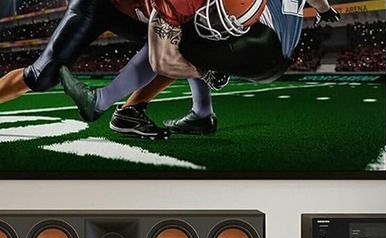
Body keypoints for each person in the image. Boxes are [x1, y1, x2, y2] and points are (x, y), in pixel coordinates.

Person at [60, 0, 340, 138]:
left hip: (260, 45)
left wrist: (203, 72)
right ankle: (202, 115)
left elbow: (161, 61)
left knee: (181, 38)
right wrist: (325, 10)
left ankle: (101, 100)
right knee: (197, 37)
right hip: (284, 51)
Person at [0, 0, 148, 107]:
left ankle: (131, 110)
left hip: (134, 13)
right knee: (42, 76)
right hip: (97, 5)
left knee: (168, 46)